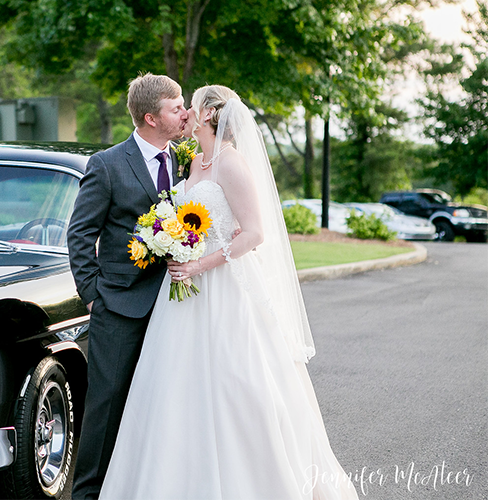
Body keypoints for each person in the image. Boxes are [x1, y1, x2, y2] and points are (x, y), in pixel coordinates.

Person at [97, 85, 360, 500]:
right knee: (173, 388)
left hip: (223, 288)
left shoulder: (231, 163)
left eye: (191, 106)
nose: (185, 112)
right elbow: (195, 220)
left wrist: (198, 263)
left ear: (210, 114)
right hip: (182, 294)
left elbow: (255, 233)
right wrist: (172, 241)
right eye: (179, 107)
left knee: (238, 385)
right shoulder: (195, 161)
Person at [66, 73, 189, 500]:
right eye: (177, 108)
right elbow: (80, 234)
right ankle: (86, 494)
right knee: (106, 405)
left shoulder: (186, 159)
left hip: (177, 305)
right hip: (119, 306)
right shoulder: (107, 164)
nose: (185, 114)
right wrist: (94, 295)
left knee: (163, 402)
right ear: (151, 117)